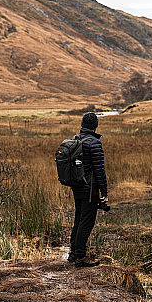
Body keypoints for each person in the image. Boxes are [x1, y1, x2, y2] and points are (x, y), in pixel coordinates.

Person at [68, 112, 109, 268]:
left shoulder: (76, 140)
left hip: (77, 186)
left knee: (79, 218)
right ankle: (80, 256)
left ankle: (73, 253)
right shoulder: (94, 143)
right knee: (87, 221)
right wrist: (104, 192)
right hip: (89, 188)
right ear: (95, 125)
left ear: (82, 124)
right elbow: (99, 170)